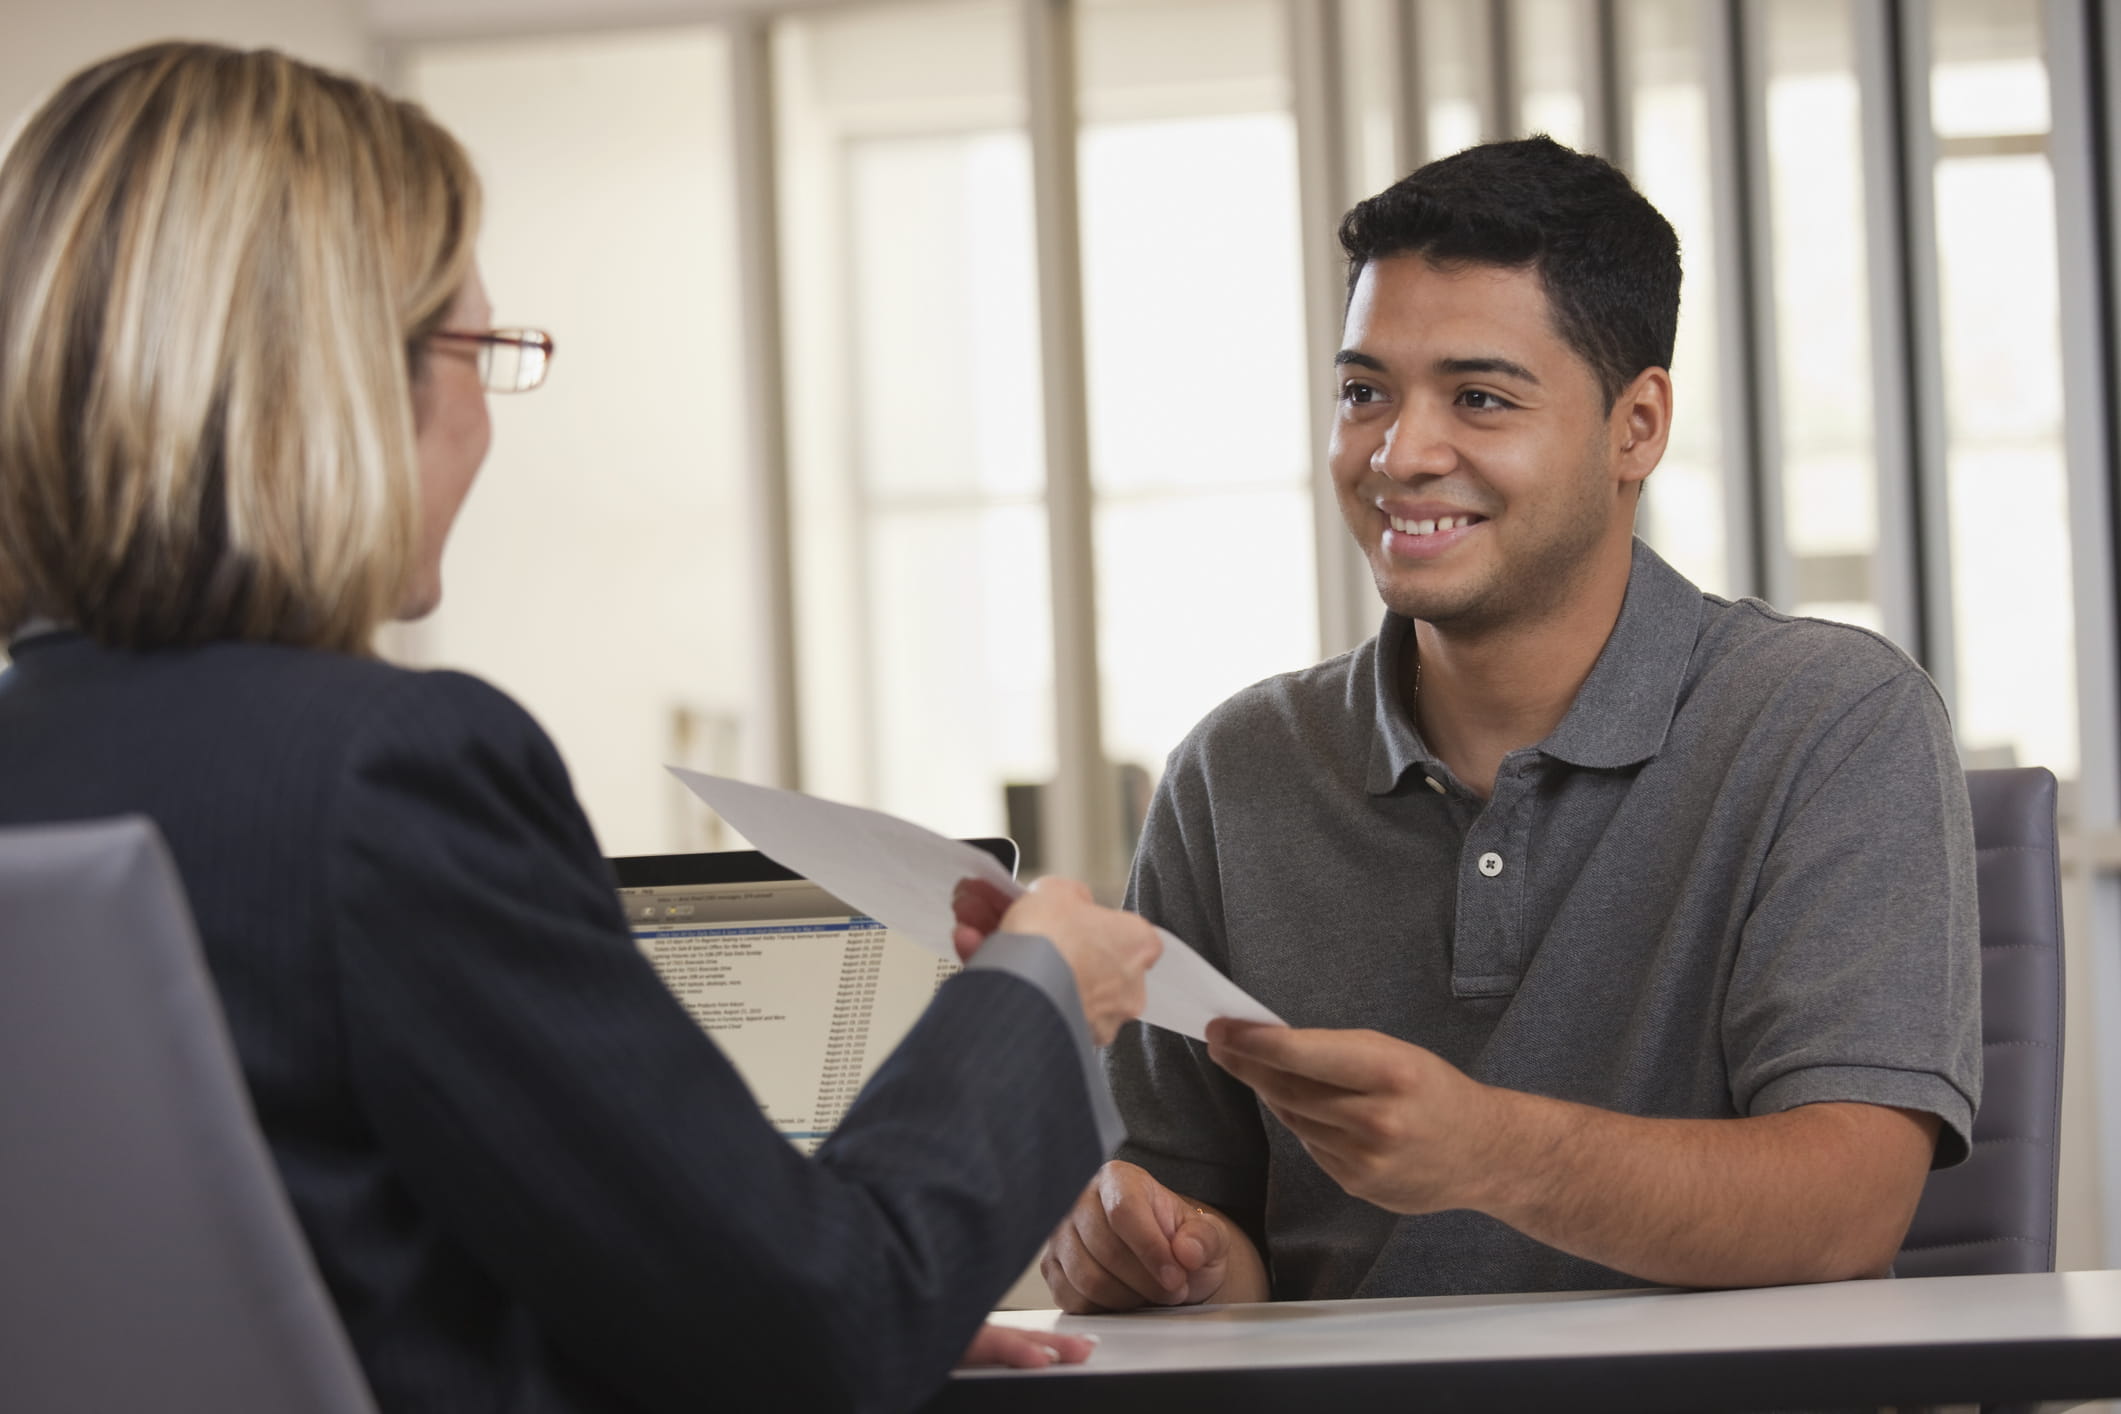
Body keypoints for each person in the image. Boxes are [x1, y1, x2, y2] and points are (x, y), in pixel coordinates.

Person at [0, 41, 1161, 1413]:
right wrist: (1031, 998)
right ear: (337, 385)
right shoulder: (388, 773)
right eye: (475, 351)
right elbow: (819, 1323)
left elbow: (332, 1278)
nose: (486, 422)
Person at [1040, 137, 1980, 1313]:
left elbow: (1849, 1204)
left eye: (1479, 398)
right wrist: (1163, 1252)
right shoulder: (1235, 772)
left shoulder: (1827, 720)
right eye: (1363, 391)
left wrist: (1490, 1151)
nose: (1401, 453)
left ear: (1635, 426)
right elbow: (1211, 1229)